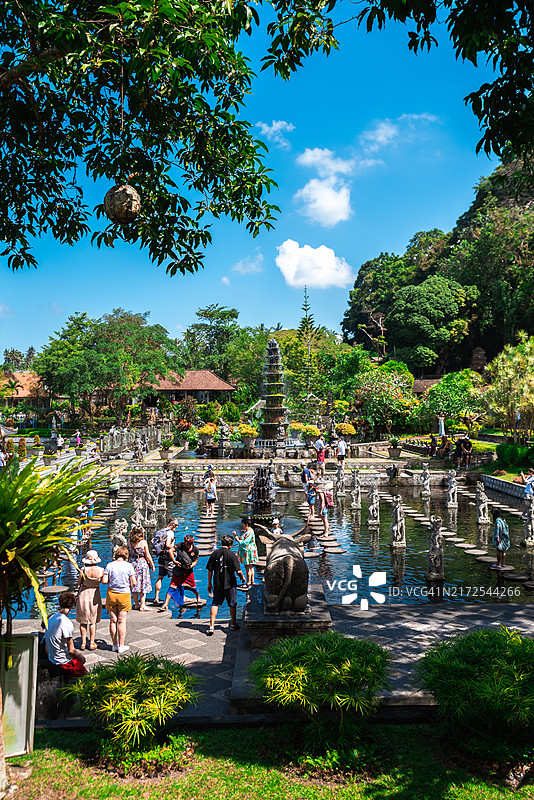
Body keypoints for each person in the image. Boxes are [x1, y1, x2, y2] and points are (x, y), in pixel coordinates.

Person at [206, 535, 245, 636]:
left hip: (217, 584)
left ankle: (211, 626)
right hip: (230, 584)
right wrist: (242, 577)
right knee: (232, 604)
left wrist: (209, 583)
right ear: (231, 545)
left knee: (215, 603)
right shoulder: (232, 555)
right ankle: (233, 624)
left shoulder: (214, 554)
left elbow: (210, 571)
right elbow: (238, 571)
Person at [102, 546, 136, 653]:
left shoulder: (109, 565)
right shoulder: (129, 566)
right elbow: (134, 582)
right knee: (122, 621)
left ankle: (114, 645)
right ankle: (121, 646)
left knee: (113, 621)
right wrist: (129, 587)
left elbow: (104, 581)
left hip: (112, 594)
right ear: (126, 555)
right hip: (124, 594)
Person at [44, 592, 87, 676]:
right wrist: (80, 657)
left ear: (59, 604)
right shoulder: (66, 623)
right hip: (63, 661)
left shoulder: (51, 618)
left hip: (51, 657)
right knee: (87, 678)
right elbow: (71, 650)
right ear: (72, 606)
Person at [159, 534, 200, 613]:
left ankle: (198, 597)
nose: (186, 545)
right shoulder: (180, 545)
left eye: (188, 543)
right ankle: (165, 604)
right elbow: (170, 550)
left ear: (191, 543)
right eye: (185, 543)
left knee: (193, 586)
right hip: (178, 570)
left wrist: (190, 566)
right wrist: (174, 561)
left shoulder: (195, 550)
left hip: (188, 571)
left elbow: (195, 561)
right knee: (172, 586)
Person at [76, 550, 104, 650]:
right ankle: (92, 642)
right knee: (93, 621)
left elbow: (79, 582)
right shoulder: (101, 570)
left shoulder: (83, 570)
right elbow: (104, 582)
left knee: (83, 621)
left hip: (84, 593)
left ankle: (83, 643)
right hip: (95, 594)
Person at [128, 525, 155, 611]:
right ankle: (142, 605)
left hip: (132, 564)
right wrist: (152, 565)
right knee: (143, 584)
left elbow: (128, 553)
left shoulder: (129, 542)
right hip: (141, 564)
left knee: (134, 585)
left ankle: (136, 604)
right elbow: (147, 555)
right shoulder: (143, 542)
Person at [153, 518, 179, 604]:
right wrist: (175, 549)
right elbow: (168, 545)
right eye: (175, 525)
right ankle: (178, 597)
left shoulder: (162, 531)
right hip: (168, 558)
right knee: (174, 578)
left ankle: (156, 597)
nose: (177, 527)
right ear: (171, 523)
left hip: (161, 557)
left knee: (160, 577)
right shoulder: (170, 532)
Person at [234, 516, 258, 589]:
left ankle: (249, 582)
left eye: (243, 524)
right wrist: (236, 536)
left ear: (246, 524)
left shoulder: (249, 532)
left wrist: (238, 540)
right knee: (250, 567)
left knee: (247, 567)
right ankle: (252, 581)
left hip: (248, 551)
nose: (242, 526)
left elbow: (245, 542)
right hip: (249, 551)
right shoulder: (248, 531)